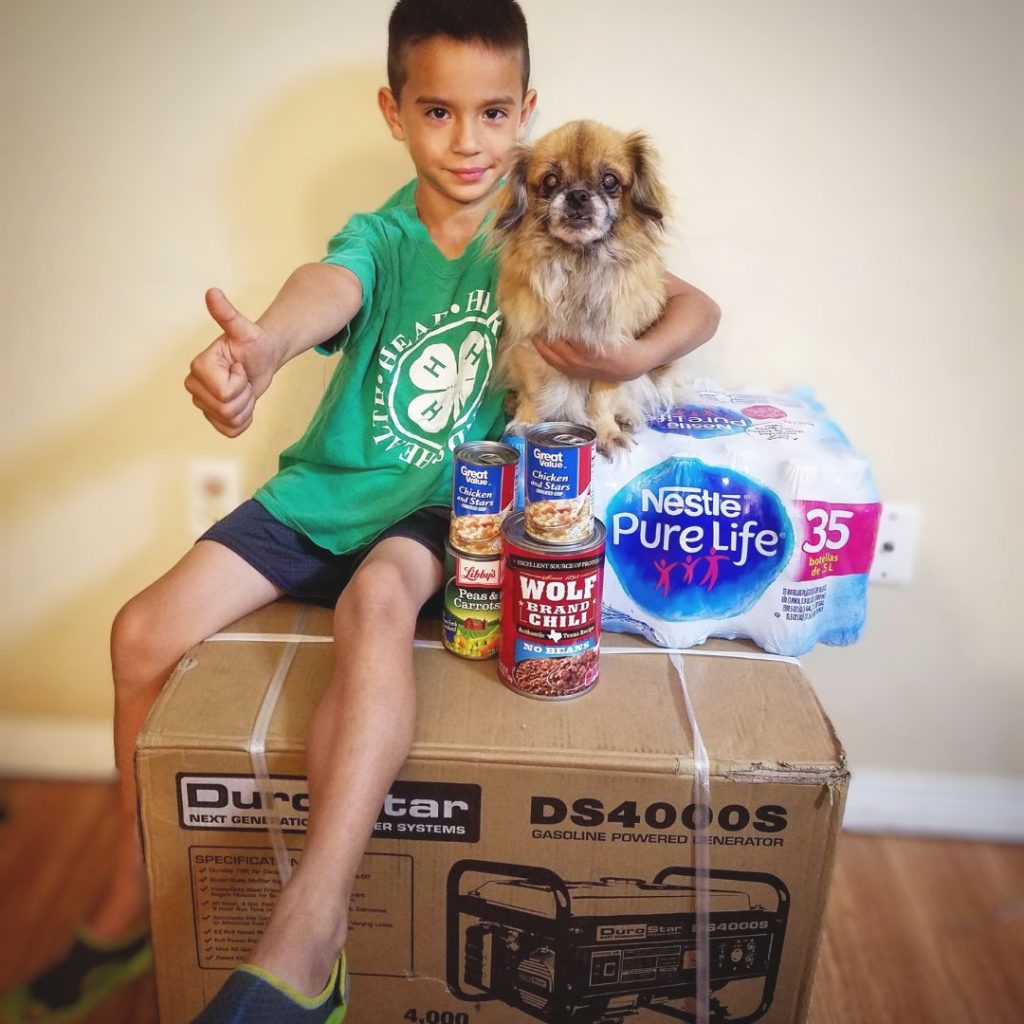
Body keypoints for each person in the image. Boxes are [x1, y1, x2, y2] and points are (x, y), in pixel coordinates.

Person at [0, 2, 720, 1021]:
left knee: (376, 602)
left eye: (492, 113)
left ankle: (313, 925)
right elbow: (325, 286)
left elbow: (694, 305)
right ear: (394, 113)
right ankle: (131, 900)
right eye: (437, 111)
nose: (467, 142)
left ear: (525, 114)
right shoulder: (381, 235)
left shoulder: (539, 230)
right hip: (327, 488)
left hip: (445, 503)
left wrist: (630, 356)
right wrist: (263, 346)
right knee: (140, 632)